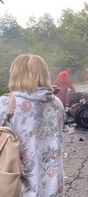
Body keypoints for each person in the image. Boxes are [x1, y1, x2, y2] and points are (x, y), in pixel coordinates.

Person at [0, 54, 64, 197]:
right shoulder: (57, 103)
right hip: (53, 187)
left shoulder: (5, 104)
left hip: (19, 186)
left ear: (15, 74)